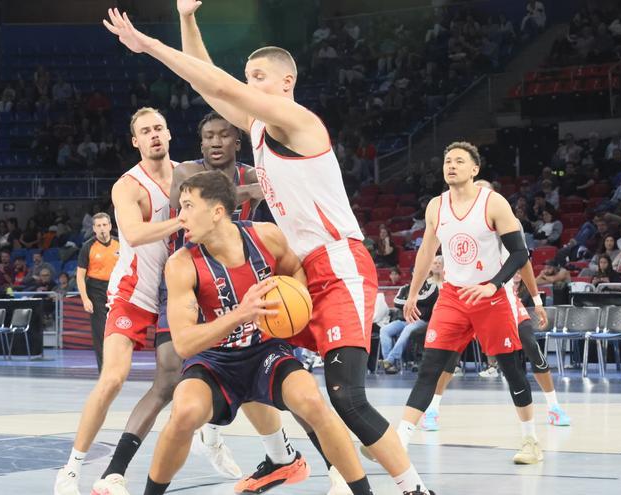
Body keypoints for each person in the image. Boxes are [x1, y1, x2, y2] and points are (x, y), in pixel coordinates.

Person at [104, 4, 431, 493]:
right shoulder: (260, 129)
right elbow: (209, 83)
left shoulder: (298, 121)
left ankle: (413, 488)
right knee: (252, 354)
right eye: (247, 76)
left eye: (258, 76)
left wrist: (148, 44)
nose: (248, 83)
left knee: (346, 397)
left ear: (285, 82)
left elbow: (221, 86)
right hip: (299, 271)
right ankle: (282, 457)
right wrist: (189, 20)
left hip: (338, 263)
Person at [144, 171, 381, 495]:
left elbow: (294, 269)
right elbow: (184, 343)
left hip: (265, 352)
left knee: (311, 400)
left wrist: (292, 301)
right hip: (215, 360)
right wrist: (242, 312)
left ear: (216, 212)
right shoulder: (181, 264)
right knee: (184, 412)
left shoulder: (265, 236)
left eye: (187, 206)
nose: (180, 216)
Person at [57, 108, 239, 495]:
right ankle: (71, 469)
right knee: (113, 378)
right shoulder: (128, 186)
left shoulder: (188, 174)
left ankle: (212, 436)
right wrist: (186, 218)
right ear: (135, 141)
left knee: (198, 371)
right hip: (135, 292)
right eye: (145, 131)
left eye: (159, 128)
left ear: (170, 134)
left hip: (179, 292)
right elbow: (136, 234)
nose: (154, 135)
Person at [396, 141, 542, 465]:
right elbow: (425, 253)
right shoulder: (436, 205)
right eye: (448, 160)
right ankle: (399, 441)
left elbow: (520, 253)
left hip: (491, 298)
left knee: (512, 370)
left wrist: (493, 286)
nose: (451, 165)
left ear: (474, 169)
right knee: (430, 369)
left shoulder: (493, 203)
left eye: (459, 161)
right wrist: (412, 291)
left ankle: (531, 440)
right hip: (453, 296)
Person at [415, 179, 569, 431]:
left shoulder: (507, 220)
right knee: (448, 356)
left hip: (500, 297)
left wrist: (537, 299)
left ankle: (553, 406)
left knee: (530, 344)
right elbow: (434, 253)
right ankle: (432, 409)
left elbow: (524, 262)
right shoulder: (454, 218)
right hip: (463, 298)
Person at [378, 256, 443, 374]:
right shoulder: (405, 288)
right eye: (415, 271)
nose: (418, 273)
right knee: (384, 330)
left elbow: (426, 299)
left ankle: (390, 360)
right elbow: (396, 302)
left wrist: (410, 300)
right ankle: (389, 364)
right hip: (403, 320)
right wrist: (411, 301)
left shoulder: (431, 286)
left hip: (420, 320)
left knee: (408, 329)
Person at [76, 212, 120, 371]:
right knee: (100, 331)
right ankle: (104, 370)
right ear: (94, 228)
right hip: (95, 290)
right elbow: (80, 276)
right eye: (98, 226)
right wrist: (85, 299)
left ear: (110, 226)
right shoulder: (88, 246)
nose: (102, 229)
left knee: (118, 331)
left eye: (104, 225)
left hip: (116, 290)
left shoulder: (120, 244)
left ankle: (118, 366)